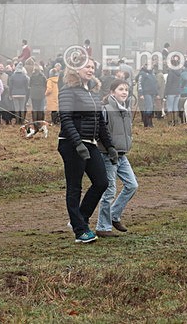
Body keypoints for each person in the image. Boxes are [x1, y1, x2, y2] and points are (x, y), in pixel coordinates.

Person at [58, 59, 111, 243]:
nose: (91, 70)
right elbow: (65, 118)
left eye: (92, 67)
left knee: (102, 182)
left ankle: (79, 218)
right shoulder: (67, 90)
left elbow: (100, 121)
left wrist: (110, 146)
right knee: (75, 187)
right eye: (87, 66)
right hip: (71, 144)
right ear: (75, 69)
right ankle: (80, 231)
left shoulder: (93, 91)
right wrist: (78, 143)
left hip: (91, 143)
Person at [95, 79, 138, 237]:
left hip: (122, 155)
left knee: (132, 185)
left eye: (126, 89)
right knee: (109, 191)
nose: (124, 92)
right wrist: (108, 148)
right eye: (121, 89)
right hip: (108, 155)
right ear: (112, 92)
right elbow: (100, 131)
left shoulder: (125, 110)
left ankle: (113, 215)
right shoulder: (105, 109)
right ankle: (103, 227)